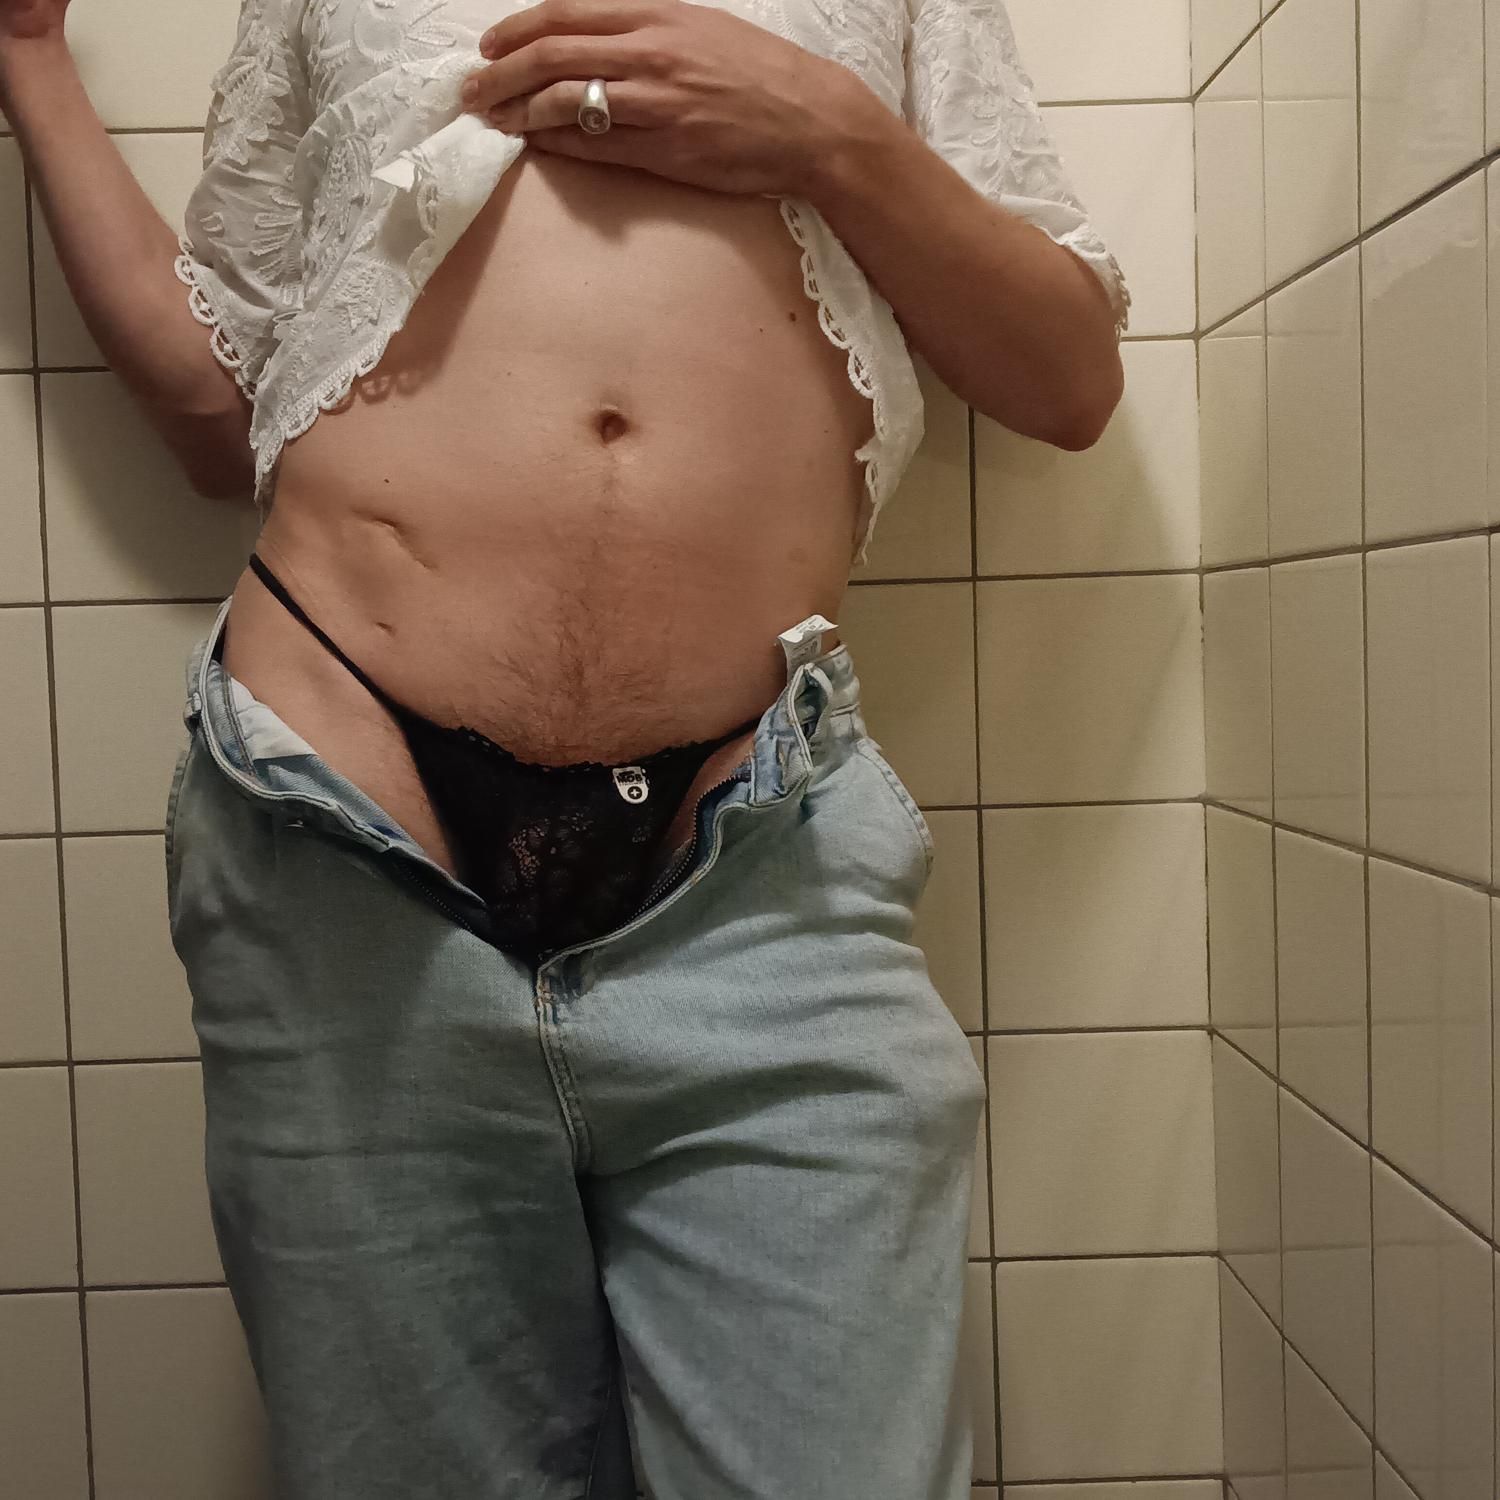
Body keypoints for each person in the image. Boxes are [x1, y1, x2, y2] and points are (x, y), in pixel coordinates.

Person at [1, 0, 1129, 1493]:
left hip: (756, 853)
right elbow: (223, 408)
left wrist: (828, 135)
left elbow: (1066, 380)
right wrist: (30, 58)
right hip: (340, 820)